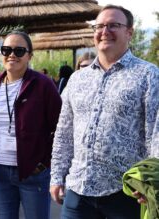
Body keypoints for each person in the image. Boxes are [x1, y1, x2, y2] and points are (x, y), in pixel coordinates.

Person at [50, 4, 159, 219]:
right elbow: (64, 132)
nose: (104, 31)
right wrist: (56, 176)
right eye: (99, 26)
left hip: (127, 193)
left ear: (130, 32)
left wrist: (151, 181)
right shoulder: (77, 78)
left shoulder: (148, 75)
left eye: (113, 25)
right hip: (78, 191)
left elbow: (156, 134)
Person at [0, 30, 61, 219]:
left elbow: (61, 128)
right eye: (7, 50)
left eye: (19, 51)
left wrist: (44, 162)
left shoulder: (43, 85)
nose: (12, 55)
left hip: (34, 172)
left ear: (30, 55)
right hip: (0, 171)